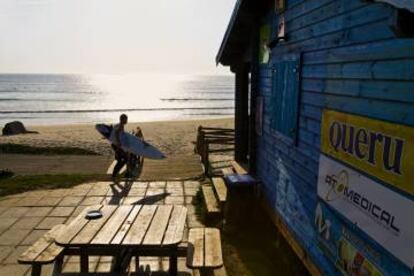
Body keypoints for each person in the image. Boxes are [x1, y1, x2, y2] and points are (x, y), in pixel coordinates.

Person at [111, 114, 128, 178]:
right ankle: (114, 174)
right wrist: (118, 143)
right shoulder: (121, 126)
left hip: (114, 145)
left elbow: (116, 133)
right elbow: (116, 133)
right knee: (125, 159)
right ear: (122, 119)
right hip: (117, 145)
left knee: (119, 159)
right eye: (126, 119)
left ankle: (114, 174)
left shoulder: (117, 125)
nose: (127, 121)